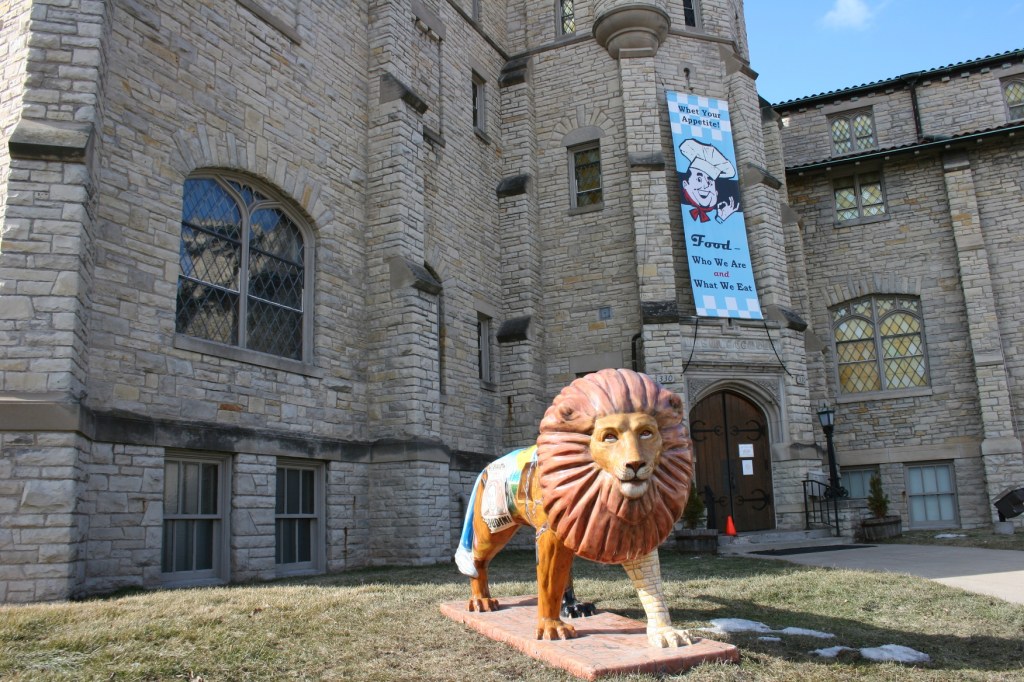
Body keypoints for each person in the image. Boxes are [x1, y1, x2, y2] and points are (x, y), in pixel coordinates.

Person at [678, 139, 741, 224]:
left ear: (716, 192)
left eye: (710, 182)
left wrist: (720, 218)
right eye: (699, 179)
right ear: (685, 184)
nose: (705, 185)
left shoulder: (720, 213)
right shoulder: (682, 206)